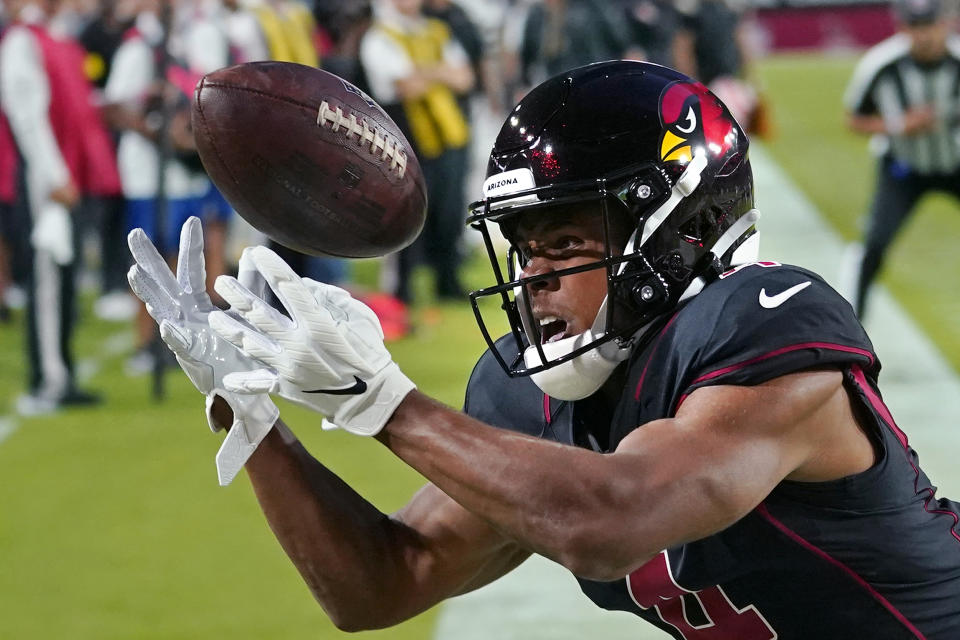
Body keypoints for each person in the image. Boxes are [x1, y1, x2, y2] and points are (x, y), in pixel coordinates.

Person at [128, 60, 960, 638]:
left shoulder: (769, 323)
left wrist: (381, 403)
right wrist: (248, 407)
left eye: (565, 243)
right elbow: (383, 582)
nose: (533, 280)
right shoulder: (533, 394)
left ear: (683, 232)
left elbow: (615, 517)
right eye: (523, 250)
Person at [1, 0, 120, 413]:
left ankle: (61, 370)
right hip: (47, 177)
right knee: (48, 274)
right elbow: (27, 115)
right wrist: (53, 175)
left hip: (65, 172)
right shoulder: (22, 41)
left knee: (63, 276)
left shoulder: (57, 38)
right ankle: (48, 378)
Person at [844, 0, 960, 319]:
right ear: (903, 28)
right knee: (875, 244)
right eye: (916, 27)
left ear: (947, 24)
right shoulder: (882, 64)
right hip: (902, 168)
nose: (925, 35)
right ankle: (854, 324)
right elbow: (853, 119)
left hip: (955, 165)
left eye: (930, 25)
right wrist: (899, 125)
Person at [360, 0, 474, 304]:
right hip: (406, 135)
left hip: (445, 134)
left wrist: (424, 71)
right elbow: (406, 87)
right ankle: (403, 289)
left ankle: (447, 280)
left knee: (449, 210)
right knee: (406, 210)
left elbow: (464, 78)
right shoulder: (379, 36)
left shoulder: (436, 30)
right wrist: (440, 72)